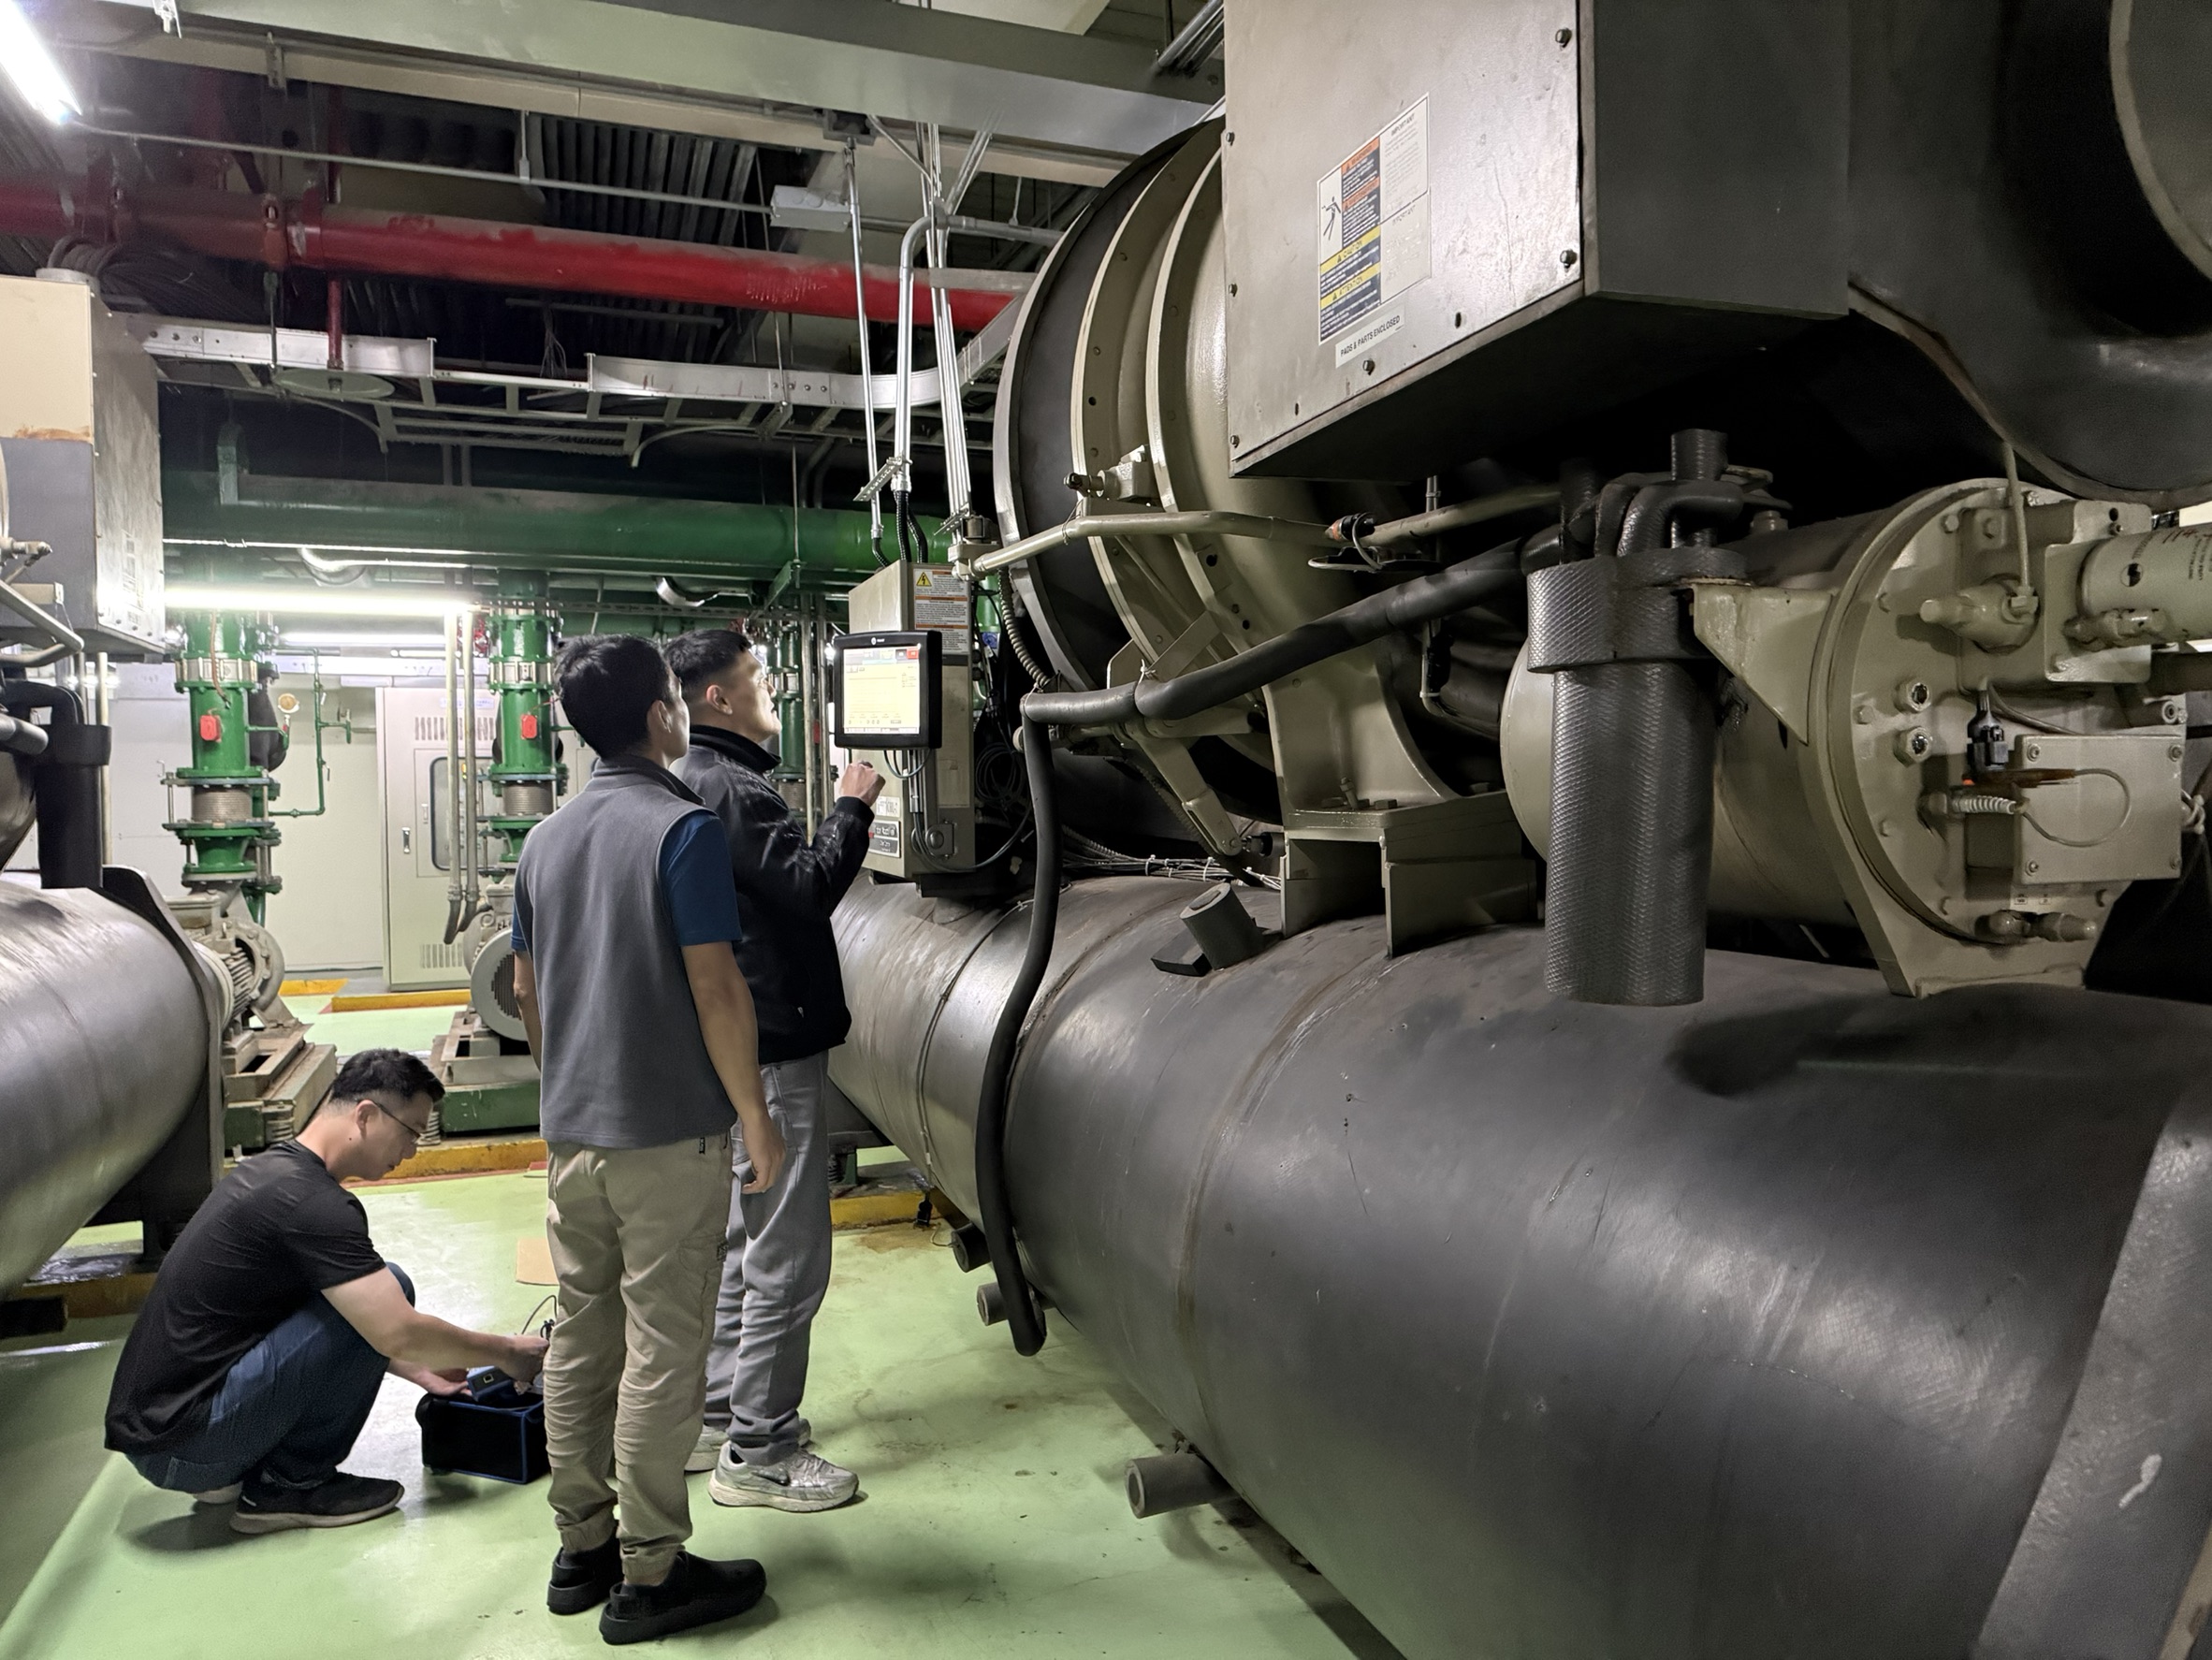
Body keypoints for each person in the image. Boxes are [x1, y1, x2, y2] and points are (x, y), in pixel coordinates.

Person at [511, 633, 788, 1647]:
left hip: (572, 1137)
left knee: (584, 1339)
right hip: (666, 1138)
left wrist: (570, 1085)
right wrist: (754, 1112)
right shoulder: (682, 828)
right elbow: (716, 988)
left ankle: (581, 1547)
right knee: (666, 1351)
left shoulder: (543, 841)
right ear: (661, 715)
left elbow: (528, 991)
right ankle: (652, 1571)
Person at [104, 1048, 547, 1535]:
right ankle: (290, 1484)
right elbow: (396, 1331)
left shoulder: (276, 1172)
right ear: (366, 1116)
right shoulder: (312, 1203)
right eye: (411, 1133)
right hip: (184, 1445)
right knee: (392, 1288)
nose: (412, 1152)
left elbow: (318, 1319)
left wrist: (415, 1367)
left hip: (163, 1434)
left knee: (362, 1298)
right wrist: (507, 1353)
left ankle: (234, 1466)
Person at [665, 628, 882, 1513]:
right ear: (717, 697)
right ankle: (762, 1449)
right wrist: (852, 807)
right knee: (787, 1257)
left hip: (732, 1047)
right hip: (778, 1048)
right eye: (757, 677)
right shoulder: (733, 786)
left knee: (739, 1243)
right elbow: (807, 889)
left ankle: (721, 1413)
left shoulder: (687, 779)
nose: (772, 691)